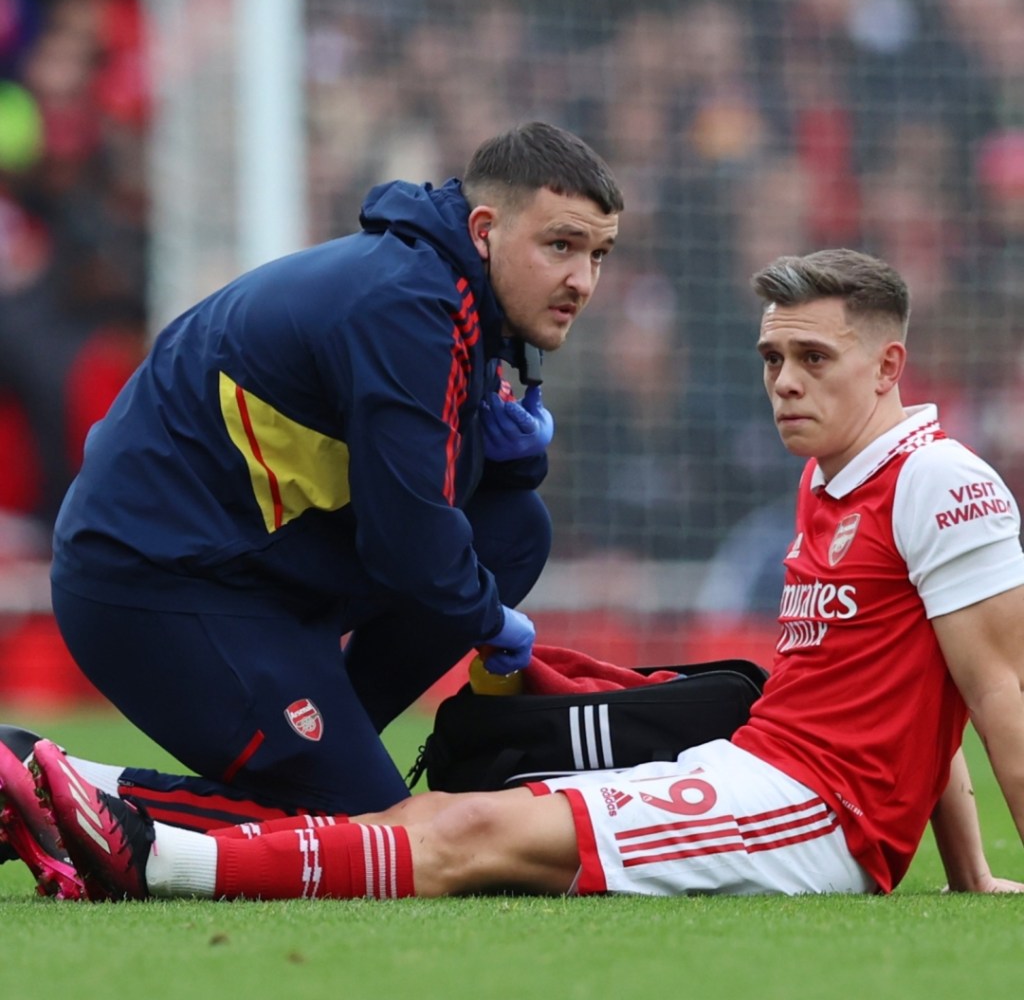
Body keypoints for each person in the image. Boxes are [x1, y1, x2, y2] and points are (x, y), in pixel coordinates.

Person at [8, 247, 1024, 901]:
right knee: (464, 805)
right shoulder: (837, 482)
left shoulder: (941, 482)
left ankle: (148, 856)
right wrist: (968, 873)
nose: (785, 382)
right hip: (762, 770)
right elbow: (919, 687)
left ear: (890, 368)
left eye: (812, 358)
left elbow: (997, 690)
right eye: (770, 359)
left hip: (812, 814)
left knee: (469, 829)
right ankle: (84, 791)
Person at [45, 120, 624, 818]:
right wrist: (488, 622)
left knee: (512, 531)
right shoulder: (409, 308)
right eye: (560, 245)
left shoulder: (454, 297)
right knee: (361, 827)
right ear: (483, 231)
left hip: (255, 568)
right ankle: (36, 782)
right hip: (155, 582)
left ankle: (330, 753)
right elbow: (409, 539)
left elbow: (432, 499)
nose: (581, 280)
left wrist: (512, 461)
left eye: (598, 253)